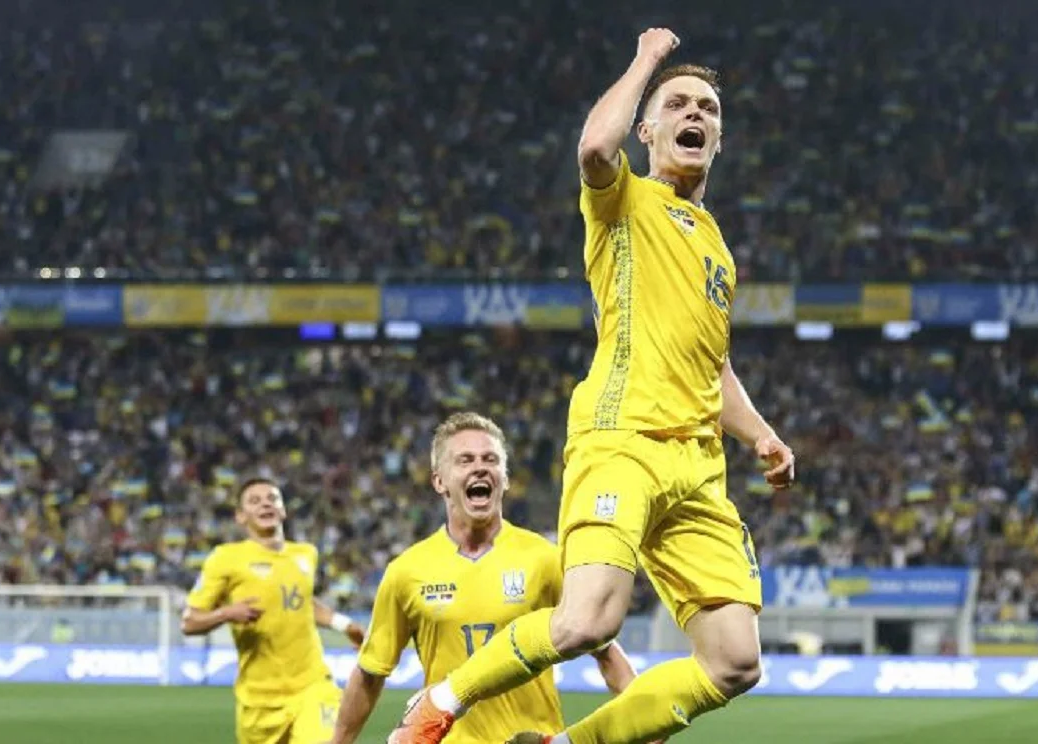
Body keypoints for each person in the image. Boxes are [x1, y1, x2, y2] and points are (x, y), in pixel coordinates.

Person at [392, 26, 795, 744]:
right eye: (677, 105)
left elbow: (715, 366)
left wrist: (761, 435)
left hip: (699, 465)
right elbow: (592, 151)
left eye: (707, 108)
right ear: (648, 129)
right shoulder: (626, 200)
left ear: (720, 140)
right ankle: (441, 701)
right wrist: (646, 60)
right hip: (623, 439)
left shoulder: (718, 248)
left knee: (735, 662)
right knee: (587, 621)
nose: (694, 114)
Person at [330, 412, 641, 744]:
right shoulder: (406, 572)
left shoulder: (545, 559)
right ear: (439, 481)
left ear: (504, 478)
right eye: (465, 460)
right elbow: (370, 674)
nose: (480, 467)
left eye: (490, 459)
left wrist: (644, 718)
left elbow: (605, 652)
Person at [183, 477, 366, 744]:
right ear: (240, 516)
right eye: (254, 501)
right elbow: (190, 621)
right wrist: (227, 613)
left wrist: (343, 624)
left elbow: (301, 601)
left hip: (312, 684)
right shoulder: (225, 558)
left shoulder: (305, 554)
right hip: (259, 700)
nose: (265, 504)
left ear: (283, 510)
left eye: (272, 498)